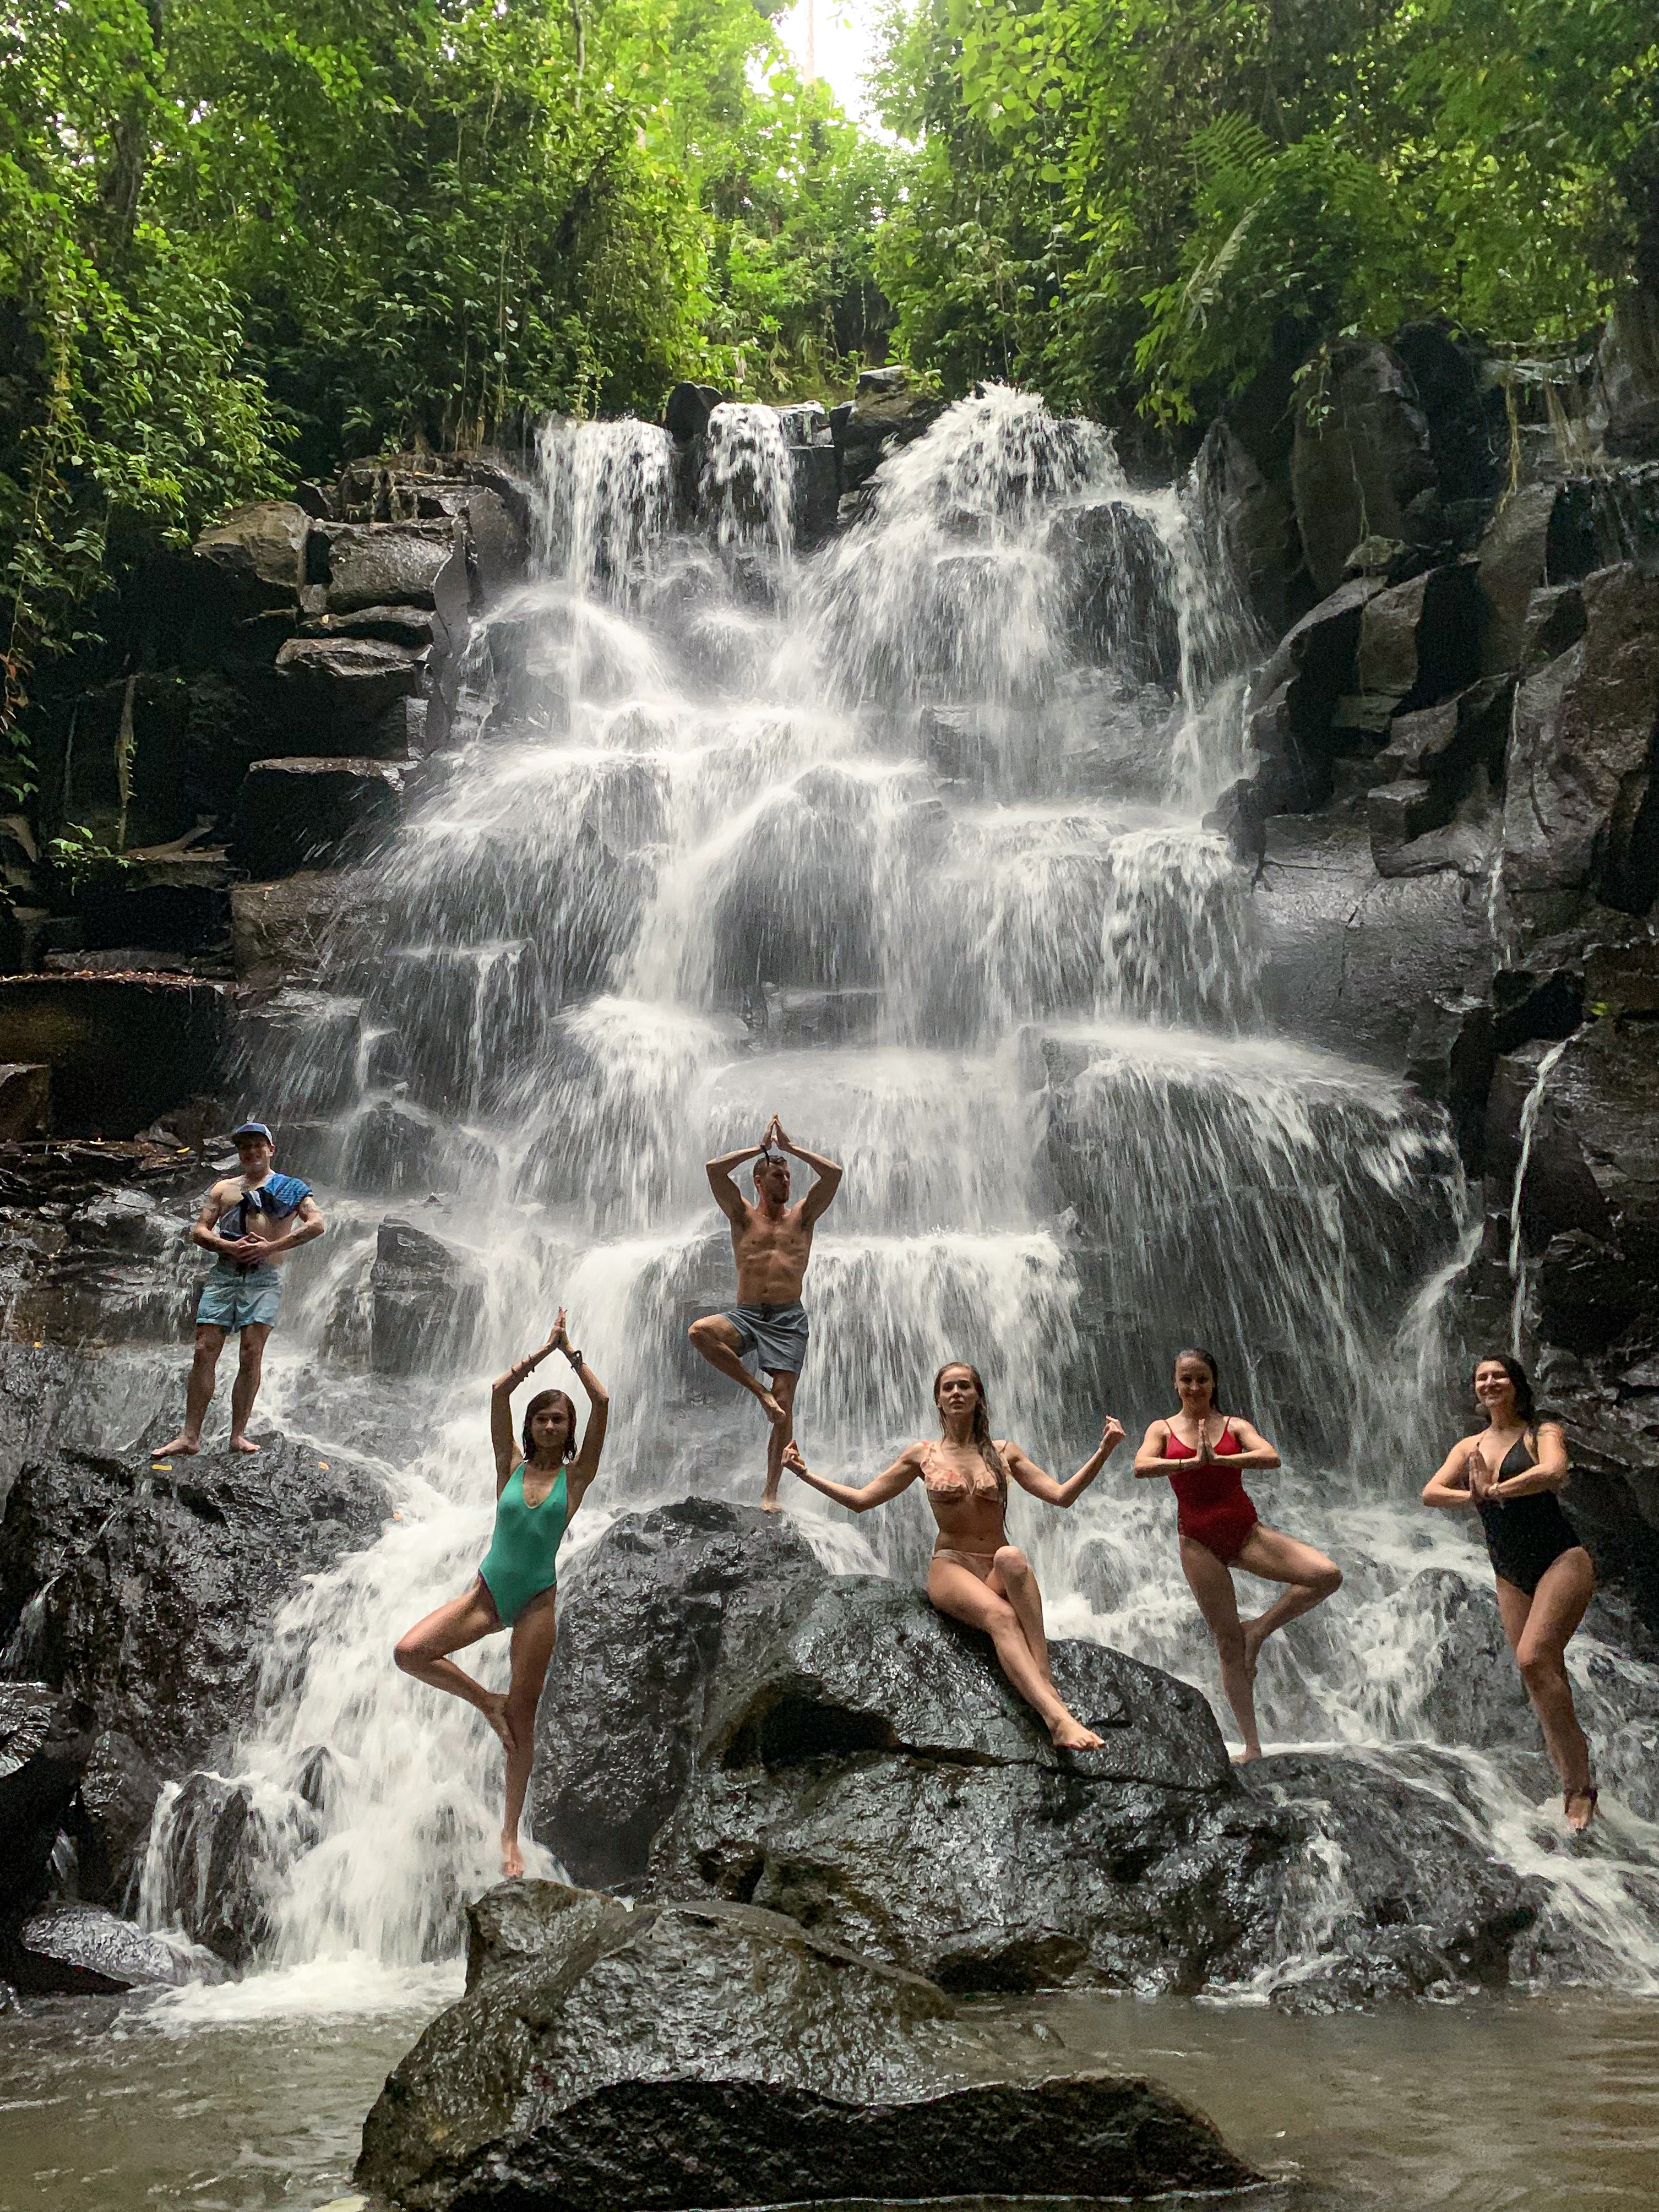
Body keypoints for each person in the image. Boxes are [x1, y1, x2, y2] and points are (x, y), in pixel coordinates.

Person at [783, 1360, 1125, 1750]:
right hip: (951, 1566)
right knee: (1000, 1616)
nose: (956, 1393)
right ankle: (1057, 1720)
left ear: (978, 1397)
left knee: (1012, 1556)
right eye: (948, 1388)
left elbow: (1061, 1496)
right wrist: (804, 1475)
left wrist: (1103, 1451)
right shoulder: (921, 1455)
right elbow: (862, 1501)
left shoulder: (1003, 1453)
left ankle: (1042, 1675)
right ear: (938, 1401)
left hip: (994, 1568)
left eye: (964, 1386)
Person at [394, 1308, 608, 1877]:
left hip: (536, 1602)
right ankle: (483, 1701)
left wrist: (573, 1356)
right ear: (530, 1425)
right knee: (409, 1652)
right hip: (487, 1594)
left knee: (525, 1718)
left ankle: (509, 1836)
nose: (549, 1424)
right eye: (542, 1417)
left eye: (559, 1419)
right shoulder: (508, 1466)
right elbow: (498, 1390)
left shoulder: (575, 1479)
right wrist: (541, 1353)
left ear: (569, 1431)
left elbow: (604, 1404)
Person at [1133, 1347, 1341, 1763]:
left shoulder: (1233, 1425)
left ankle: (1259, 1629)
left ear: (1214, 1383)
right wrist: (1190, 1463)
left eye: (1202, 1379)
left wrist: (1221, 1457)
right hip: (1197, 1543)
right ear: (1175, 1383)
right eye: (1186, 1379)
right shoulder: (1162, 1428)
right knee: (1226, 1644)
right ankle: (1251, 1745)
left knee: (1326, 1575)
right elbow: (1140, 1466)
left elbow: (1270, 1457)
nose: (1194, 1387)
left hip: (1246, 1533)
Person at [1422, 1352, 1596, 1832]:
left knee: (1531, 1658)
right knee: (1542, 1675)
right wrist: (1471, 1495)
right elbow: (1430, 1492)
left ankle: (1580, 1791)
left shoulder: (1542, 1432)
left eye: (1497, 1375)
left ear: (1515, 1384)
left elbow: (1553, 1472)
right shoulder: (1469, 1446)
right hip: (1508, 1572)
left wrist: (1495, 1489)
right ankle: (1570, 1784)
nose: (1489, 1382)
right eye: (1480, 1377)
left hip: (1561, 1559)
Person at [689, 1114, 842, 1510]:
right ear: (758, 1181)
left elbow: (834, 1175)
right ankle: (758, 1393)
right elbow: (713, 1170)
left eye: (788, 1176)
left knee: (785, 1403)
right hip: (747, 1314)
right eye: (777, 1176)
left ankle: (770, 1491)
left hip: (788, 1318)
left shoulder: (803, 1217)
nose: (786, 1182)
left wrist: (789, 1150)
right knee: (699, 1332)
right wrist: (757, 1150)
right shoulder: (741, 1216)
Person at [156, 1120, 326, 1457]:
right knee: (204, 1349)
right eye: (244, 1147)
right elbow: (199, 1231)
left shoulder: (293, 1188)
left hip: (265, 1278)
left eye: (257, 1145)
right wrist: (229, 1247)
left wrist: (271, 1247)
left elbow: (317, 1224)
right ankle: (190, 1437)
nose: (251, 1152)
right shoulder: (223, 1189)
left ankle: (238, 1435)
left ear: (271, 1150)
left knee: (251, 1352)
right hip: (225, 1274)